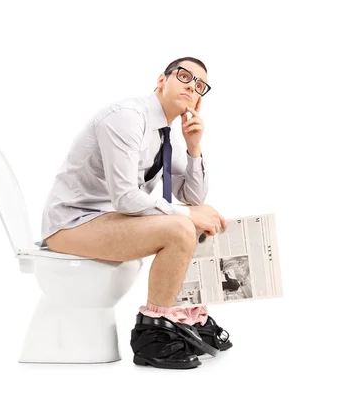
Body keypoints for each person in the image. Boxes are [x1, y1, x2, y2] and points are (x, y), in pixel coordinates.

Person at [39, 57, 231, 369]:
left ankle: (186, 316)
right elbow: (126, 197)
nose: (191, 86)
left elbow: (194, 199)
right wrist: (187, 216)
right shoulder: (128, 118)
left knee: (192, 219)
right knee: (181, 227)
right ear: (161, 80)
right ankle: (153, 336)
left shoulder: (167, 134)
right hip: (71, 223)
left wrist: (194, 145)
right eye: (184, 76)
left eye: (199, 86)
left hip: (106, 219)